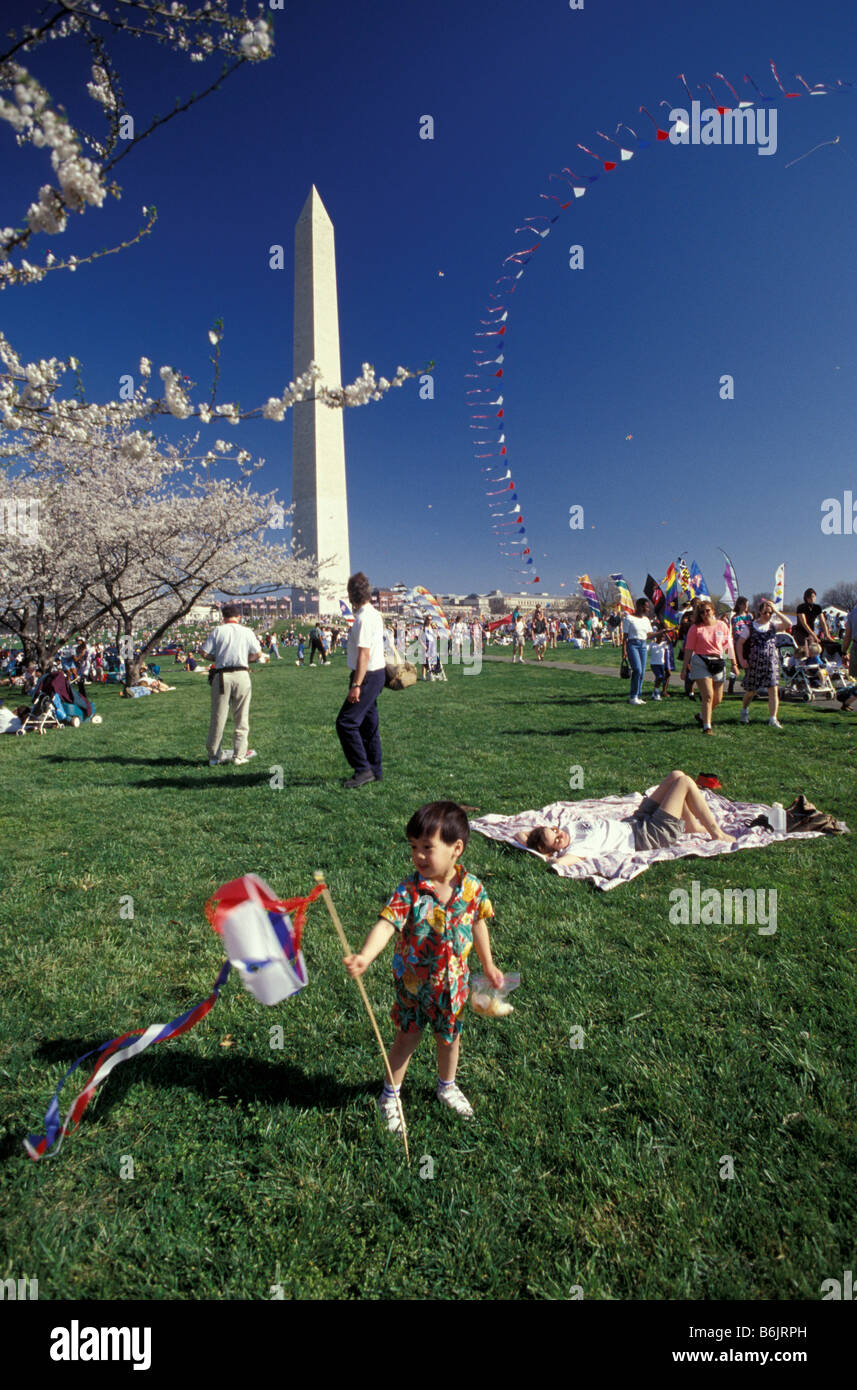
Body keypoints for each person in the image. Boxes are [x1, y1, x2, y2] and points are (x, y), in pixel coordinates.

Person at [344, 800, 503, 1128]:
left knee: (450, 1038)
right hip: (415, 984)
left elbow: (478, 924)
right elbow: (387, 924)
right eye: (413, 847)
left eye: (427, 848)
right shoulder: (410, 890)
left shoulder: (471, 889)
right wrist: (364, 956)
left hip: (454, 984)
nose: (418, 855)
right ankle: (390, 1094)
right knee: (407, 1038)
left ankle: (447, 1086)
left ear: (456, 848)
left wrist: (488, 965)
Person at [523, 769, 735, 862]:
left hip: (635, 820)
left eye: (554, 830)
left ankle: (690, 826)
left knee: (676, 775)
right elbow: (559, 863)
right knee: (685, 783)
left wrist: (537, 839)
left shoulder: (567, 829)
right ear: (552, 850)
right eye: (557, 840)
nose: (560, 834)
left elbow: (523, 834)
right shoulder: (576, 850)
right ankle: (716, 833)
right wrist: (544, 854)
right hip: (647, 835)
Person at [335, 571, 386, 788]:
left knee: (346, 722)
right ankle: (375, 769)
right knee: (368, 724)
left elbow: (363, 654)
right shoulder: (374, 614)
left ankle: (363, 769)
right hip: (376, 674)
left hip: (366, 675)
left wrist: (356, 685)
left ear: (352, 596)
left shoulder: (364, 619)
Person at [198, 603, 261, 766]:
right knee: (242, 716)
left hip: (222, 675)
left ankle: (213, 756)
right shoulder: (247, 631)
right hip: (242, 674)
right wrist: (245, 659)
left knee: (218, 717)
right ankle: (239, 755)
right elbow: (257, 653)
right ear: (238, 617)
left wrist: (217, 659)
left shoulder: (218, 630)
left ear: (223, 617)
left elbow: (203, 652)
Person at [681, 599, 735, 734]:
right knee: (708, 696)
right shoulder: (696, 628)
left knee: (718, 698)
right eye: (702, 612)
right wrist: (684, 667)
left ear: (713, 611)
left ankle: (701, 715)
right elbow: (688, 648)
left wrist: (734, 663)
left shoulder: (722, 625)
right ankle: (707, 726)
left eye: (707, 611)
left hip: (718, 661)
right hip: (701, 661)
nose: (705, 614)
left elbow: (728, 645)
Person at [735, 598, 791, 729]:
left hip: (771, 663)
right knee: (751, 691)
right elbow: (740, 643)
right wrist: (741, 659)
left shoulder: (773, 626)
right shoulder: (750, 627)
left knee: (773, 690)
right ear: (760, 612)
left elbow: (788, 623)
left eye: (770, 613)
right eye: (766, 612)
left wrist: (776, 610)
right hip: (754, 663)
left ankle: (773, 718)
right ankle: (744, 710)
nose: (768, 615)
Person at [622, 597, 653, 705]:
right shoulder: (629, 618)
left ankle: (639, 695)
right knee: (637, 670)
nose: (648, 609)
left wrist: (663, 631)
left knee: (642, 672)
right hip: (632, 645)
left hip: (643, 645)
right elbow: (625, 637)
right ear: (640, 606)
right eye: (646, 607)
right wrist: (624, 652)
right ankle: (633, 696)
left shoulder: (646, 620)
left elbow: (649, 635)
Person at [794, 588, 835, 656]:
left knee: (813, 652)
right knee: (803, 652)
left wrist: (827, 635)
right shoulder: (801, 607)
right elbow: (804, 623)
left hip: (811, 632)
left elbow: (823, 622)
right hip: (800, 632)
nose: (812, 599)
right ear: (806, 598)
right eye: (810, 597)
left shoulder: (817, 607)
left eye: (813, 596)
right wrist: (814, 635)